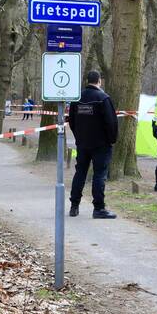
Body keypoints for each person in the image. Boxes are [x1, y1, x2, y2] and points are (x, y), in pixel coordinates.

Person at [68, 70, 119, 219]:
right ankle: (98, 208)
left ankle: (74, 206)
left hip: (83, 143)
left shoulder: (76, 99)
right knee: (99, 175)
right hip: (101, 144)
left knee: (80, 173)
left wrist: (79, 136)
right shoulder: (103, 98)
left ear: (87, 80)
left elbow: (71, 120)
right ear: (99, 81)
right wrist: (111, 140)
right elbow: (111, 123)